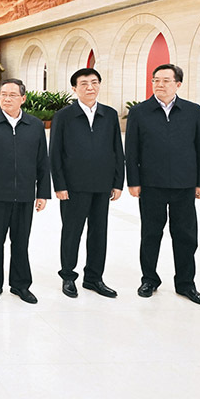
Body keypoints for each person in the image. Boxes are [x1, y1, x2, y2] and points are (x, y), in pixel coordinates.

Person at [125, 64, 200, 305]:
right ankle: (149, 280)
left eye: (165, 80)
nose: (159, 84)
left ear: (178, 84)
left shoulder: (192, 111)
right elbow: (131, 150)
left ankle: (186, 284)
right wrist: (134, 181)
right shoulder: (139, 112)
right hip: (151, 184)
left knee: (185, 236)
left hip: (185, 184)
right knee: (150, 234)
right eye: (156, 80)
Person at [0, 78, 50, 304]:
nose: (6, 99)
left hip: (25, 195)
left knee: (21, 242)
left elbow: (42, 161)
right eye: (3, 94)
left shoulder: (35, 125)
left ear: (23, 99)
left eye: (12, 95)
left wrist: (42, 193)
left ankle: (20, 285)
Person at [49, 68, 124, 299]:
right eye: (84, 83)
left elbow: (117, 150)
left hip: (102, 185)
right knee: (72, 232)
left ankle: (93, 278)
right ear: (74, 88)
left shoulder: (109, 114)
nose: (90, 87)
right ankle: (68, 276)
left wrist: (118, 182)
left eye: (94, 82)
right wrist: (59, 185)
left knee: (99, 233)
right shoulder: (63, 116)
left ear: (99, 85)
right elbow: (55, 153)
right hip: (73, 187)